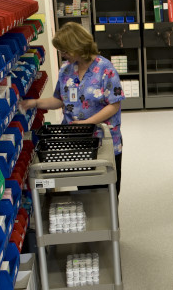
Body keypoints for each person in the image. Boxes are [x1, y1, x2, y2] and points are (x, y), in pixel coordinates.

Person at [20, 22, 125, 194]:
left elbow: (114, 105)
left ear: (77, 46)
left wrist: (88, 123)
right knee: (84, 188)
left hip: (104, 139)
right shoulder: (66, 71)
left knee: (108, 192)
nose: (62, 55)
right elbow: (60, 100)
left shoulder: (106, 69)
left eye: (65, 51)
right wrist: (35, 103)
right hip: (77, 140)